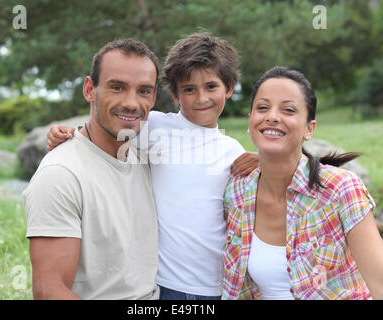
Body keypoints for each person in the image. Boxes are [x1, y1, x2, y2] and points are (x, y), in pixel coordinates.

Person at [47, 32, 259, 300]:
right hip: (163, 284)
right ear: (174, 93)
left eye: (211, 87)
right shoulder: (156, 127)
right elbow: (107, 131)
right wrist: (65, 133)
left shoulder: (233, 152)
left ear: (229, 88)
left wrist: (267, 159)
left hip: (216, 286)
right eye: (189, 89)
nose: (201, 98)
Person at [223, 66, 383, 300]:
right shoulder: (238, 192)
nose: (272, 116)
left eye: (288, 110)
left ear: (309, 129)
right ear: (250, 120)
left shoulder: (340, 190)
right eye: (262, 107)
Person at [23, 39, 161, 299]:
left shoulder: (148, 159)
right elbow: (49, 290)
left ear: (153, 97)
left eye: (143, 91)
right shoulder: (61, 175)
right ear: (89, 89)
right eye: (117, 87)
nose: (131, 103)